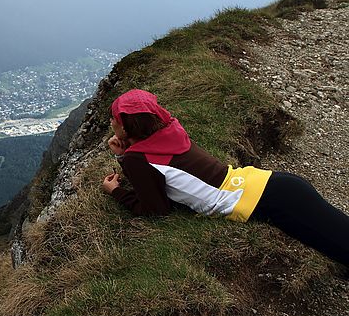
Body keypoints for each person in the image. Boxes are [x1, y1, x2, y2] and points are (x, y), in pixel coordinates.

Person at [101, 88, 349, 267]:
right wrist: (127, 154)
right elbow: (158, 171)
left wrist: (116, 191)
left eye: (114, 118)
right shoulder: (170, 130)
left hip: (267, 202)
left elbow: (154, 210)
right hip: (274, 185)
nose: (111, 122)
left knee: (338, 244)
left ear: (125, 126)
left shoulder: (138, 160)